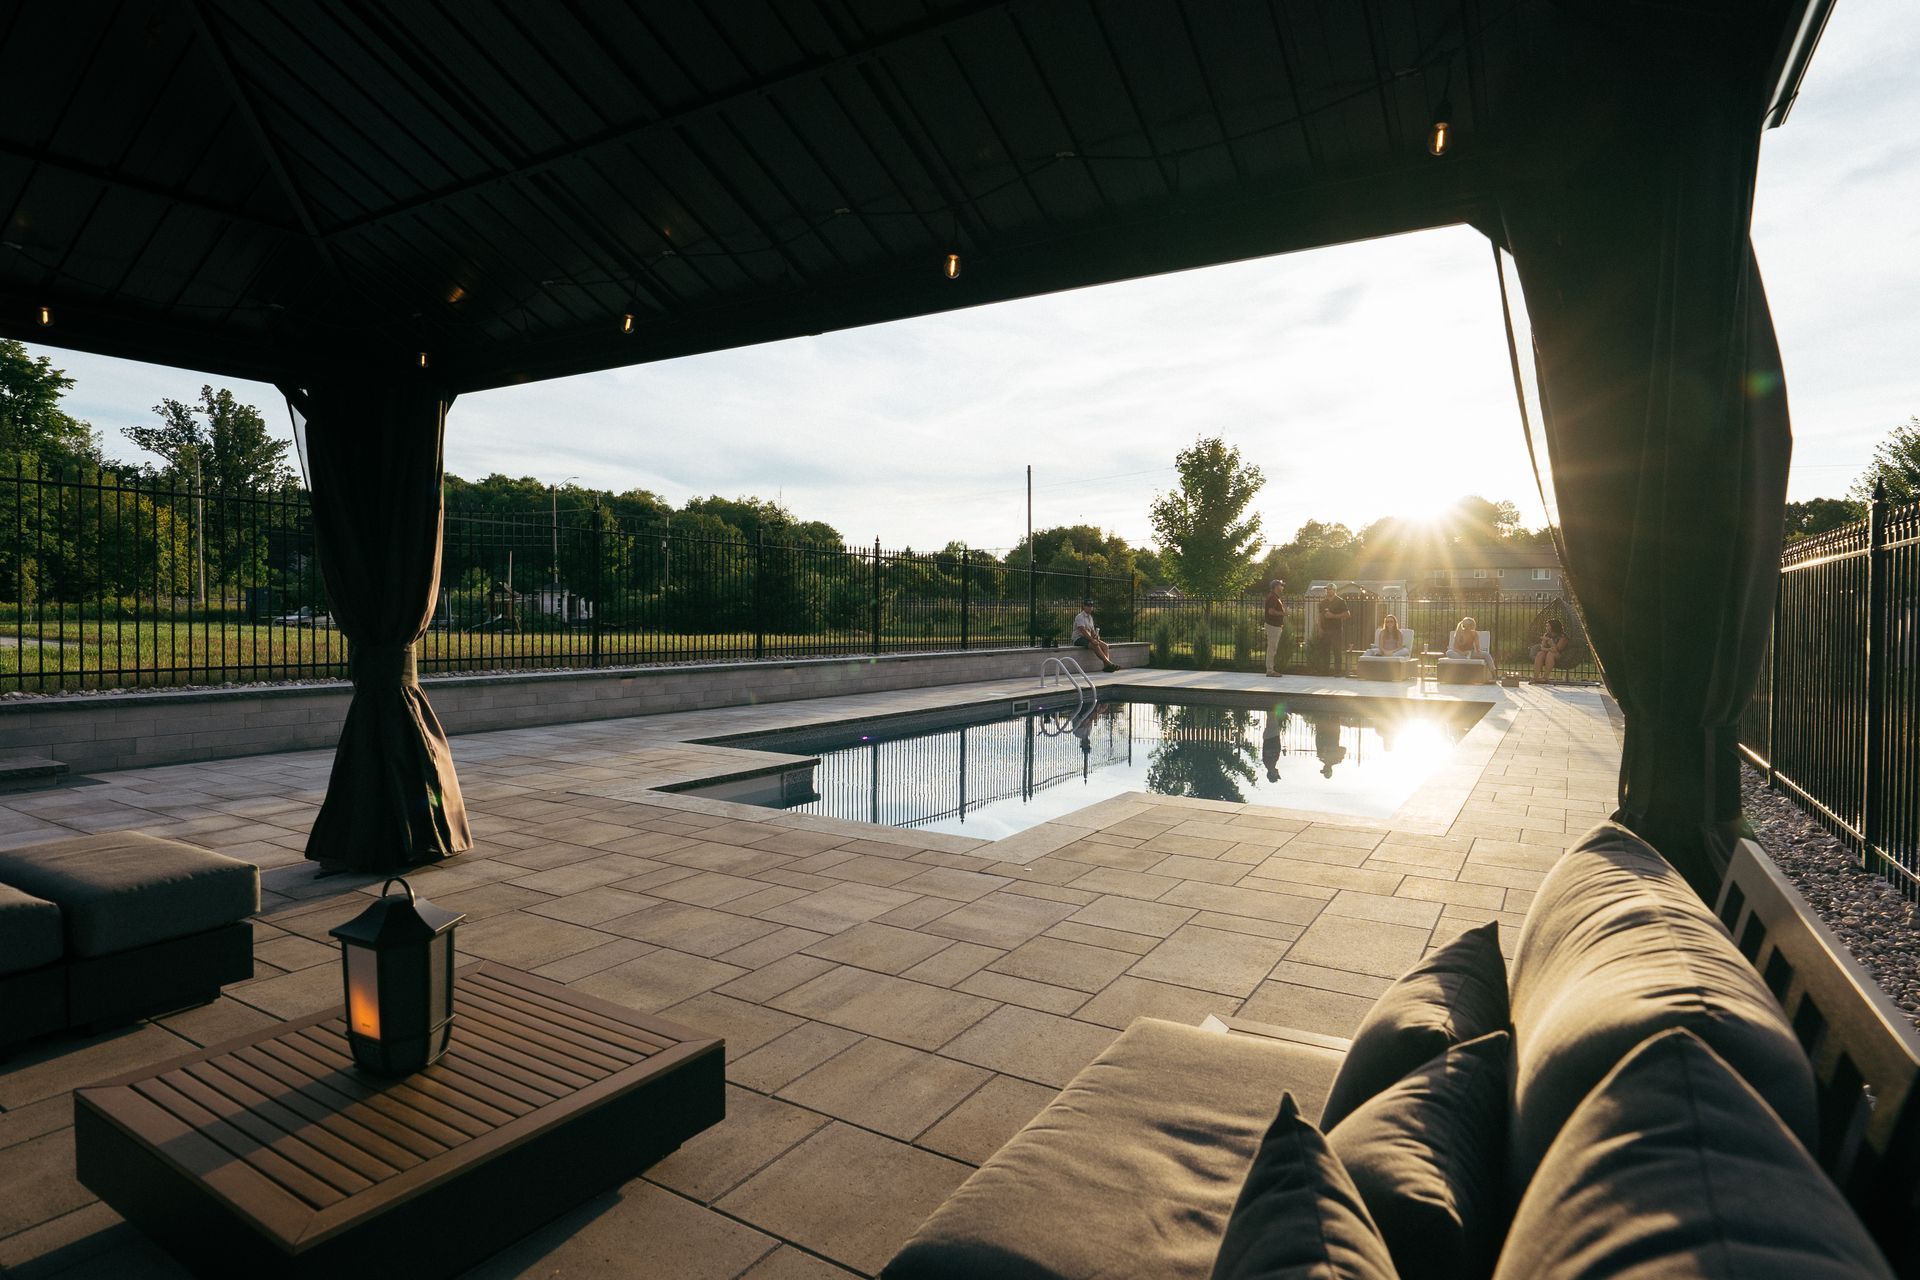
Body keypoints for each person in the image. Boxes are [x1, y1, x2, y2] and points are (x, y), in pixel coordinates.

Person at [1071, 599, 1119, 672]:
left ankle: (1106, 667)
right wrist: (1092, 640)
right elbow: (1083, 630)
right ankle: (1109, 663)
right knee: (1095, 645)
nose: (1090, 607)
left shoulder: (1090, 617)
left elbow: (1092, 631)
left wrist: (1096, 637)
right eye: (1088, 605)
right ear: (1083, 606)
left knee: (1105, 646)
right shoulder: (1080, 617)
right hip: (1079, 639)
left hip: (1087, 638)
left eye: (1091, 606)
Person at [1448, 616, 1494, 680]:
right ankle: (1466, 659)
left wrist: (1478, 651)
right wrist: (1462, 653)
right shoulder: (1459, 633)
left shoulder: (1474, 633)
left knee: (1486, 654)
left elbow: (1477, 646)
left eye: (1472, 625)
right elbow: (1455, 648)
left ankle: (1493, 674)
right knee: (1449, 652)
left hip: (1470, 653)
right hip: (1459, 654)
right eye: (1470, 625)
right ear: (1466, 625)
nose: (1471, 627)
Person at [1319, 587, 1352, 675]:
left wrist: (1333, 616)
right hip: (1325, 630)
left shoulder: (1340, 601)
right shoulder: (1323, 602)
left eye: (1330, 589)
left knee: (1337, 651)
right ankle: (1325, 671)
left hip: (1336, 630)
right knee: (1325, 651)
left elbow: (1347, 614)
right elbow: (1320, 616)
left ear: (1334, 590)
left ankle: (1338, 671)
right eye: (1327, 589)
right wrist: (1320, 628)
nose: (1328, 591)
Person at [1262, 579, 1289, 677]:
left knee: (1272, 648)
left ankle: (1270, 669)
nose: (1282, 587)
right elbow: (1271, 611)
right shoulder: (1273, 598)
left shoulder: (1275, 597)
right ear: (1276, 587)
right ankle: (1270, 671)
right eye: (1281, 585)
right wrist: (1283, 613)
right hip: (1273, 626)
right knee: (1272, 649)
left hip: (1274, 626)